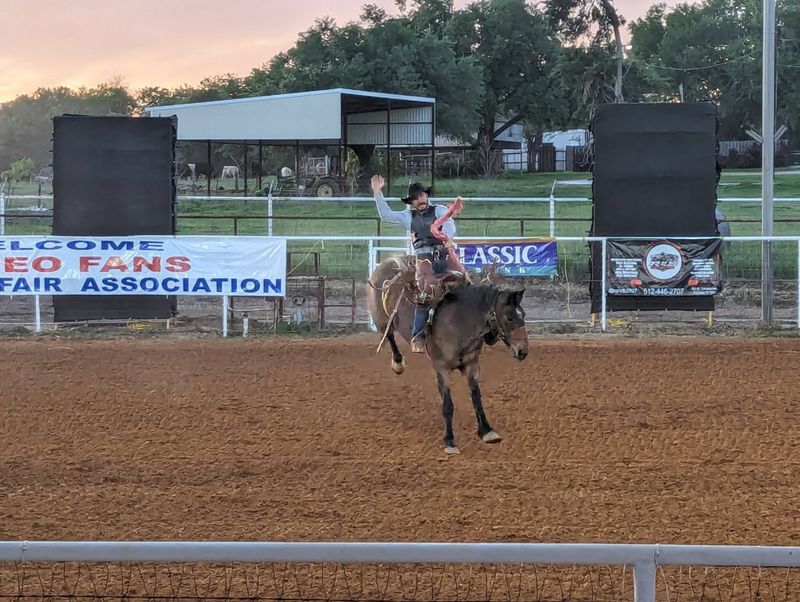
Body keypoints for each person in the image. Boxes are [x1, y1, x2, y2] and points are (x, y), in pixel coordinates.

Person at [371, 174, 457, 353]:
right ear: (412, 202)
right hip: (424, 263)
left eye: (421, 196)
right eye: (415, 198)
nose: (420, 200)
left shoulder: (440, 210)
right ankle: (417, 336)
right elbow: (386, 215)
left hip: (443, 258)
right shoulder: (407, 217)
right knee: (425, 294)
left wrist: (445, 235)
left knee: (466, 282)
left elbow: (449, 226)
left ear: (427, 196)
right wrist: (377, 193)